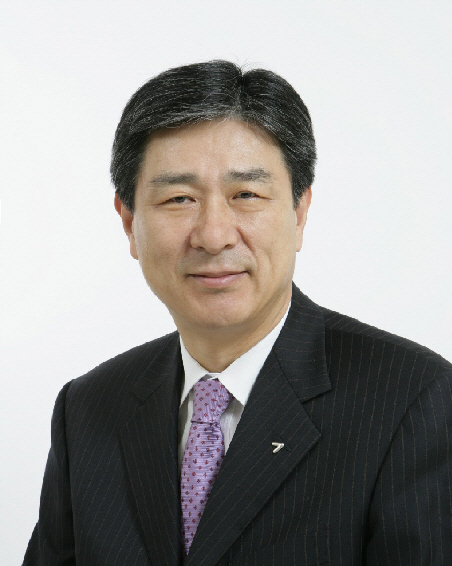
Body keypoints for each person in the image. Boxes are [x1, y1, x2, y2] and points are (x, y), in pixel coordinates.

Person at [23, 60, 452, 566]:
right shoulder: (89, 409)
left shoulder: (412, 400)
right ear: (128, 222)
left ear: (299, 212)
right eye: (179, 198)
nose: (213, 235)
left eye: (246, 194)